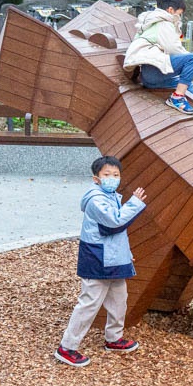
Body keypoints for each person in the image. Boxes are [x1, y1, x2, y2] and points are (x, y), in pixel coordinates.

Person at [55, 156, 147, 366]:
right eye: (107, 175)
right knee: (89, 303)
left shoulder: (112, 196)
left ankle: (114, 338)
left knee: (118, 300)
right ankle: (67, 347)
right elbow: (114, 223)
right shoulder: (95, 200)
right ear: (96, 178)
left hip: (114, 259)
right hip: (97, 258)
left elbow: (117, 233)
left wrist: (125, 253)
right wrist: (135, 203)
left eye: (116, 175)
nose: (112, 179)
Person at [123, 0, 193, 115]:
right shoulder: (164, 23)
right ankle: (177, 97)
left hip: (148, 75)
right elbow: (174, 49)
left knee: (186, 82)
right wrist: (188, 62)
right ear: (171, 10)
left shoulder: (150, 22)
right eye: (179, 14)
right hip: (154, 71)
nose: (179, 17)